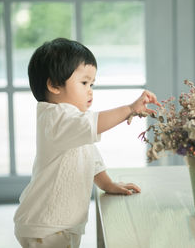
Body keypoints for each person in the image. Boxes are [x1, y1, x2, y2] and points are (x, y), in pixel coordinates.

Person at [13, 37, 160, 248]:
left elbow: (89, 156)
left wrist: (107, 184)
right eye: (84, 83)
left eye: (92, 84)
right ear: (54, 85)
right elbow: (95, 123)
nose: (90, 90)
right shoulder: (55, 117)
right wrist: (129, 109)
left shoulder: (72, 120)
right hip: (46, 224)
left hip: (62, 222)